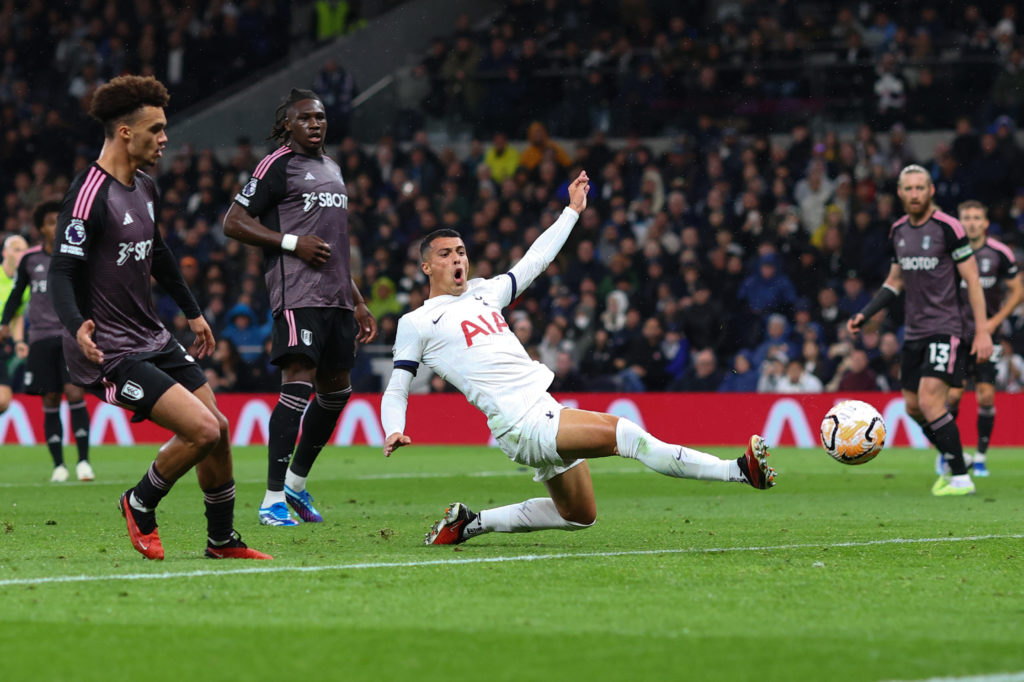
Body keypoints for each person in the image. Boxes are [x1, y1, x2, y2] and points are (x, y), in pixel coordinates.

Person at [381, 171, 775, 547]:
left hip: (539, 412)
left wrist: (572, 211)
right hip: (522, 420)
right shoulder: (416, 323)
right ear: (426, 267)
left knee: (579, 515)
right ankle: (738, 471)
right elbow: (398, 387)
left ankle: (470, 524)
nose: (457, 261)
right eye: (446, 254)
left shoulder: (485, 292)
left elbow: (535, 260)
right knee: (631, 438)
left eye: (462, 252)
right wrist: (393, 428)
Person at [46, 75, 270, 560]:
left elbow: (159, 252)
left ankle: (221, 540)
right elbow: (59, 272)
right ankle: (139, 501)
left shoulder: (145, 185)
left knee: (221, 429)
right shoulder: (88, 195)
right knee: (202, 430)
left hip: (152, 335)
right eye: (156, 129)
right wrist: (76, 324)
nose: (165, 138)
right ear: (125, 132)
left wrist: (193, 313)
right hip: (110, 349)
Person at [223, 88, 377, 527]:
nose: (315, 124)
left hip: (337, 300)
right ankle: (271, 501)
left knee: (337, 392)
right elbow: (233, 221)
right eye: (305, 118)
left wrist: (359, 301)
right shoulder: (277, 165)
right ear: (288, 125)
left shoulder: (332, 168)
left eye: (321, 117)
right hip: (298, 296)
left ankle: (295, 484)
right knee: (298, 386)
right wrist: (292, 243)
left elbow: (332, 248)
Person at [848, 164, 992, 497]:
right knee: (912, 407)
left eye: (920, 188)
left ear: (931, 191)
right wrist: (865, 313)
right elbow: (895, 281)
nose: (914, 194)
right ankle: (957, 456)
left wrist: (982, 332)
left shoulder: (948, 227)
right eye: (908, 189)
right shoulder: (898, 230)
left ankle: (960, 478)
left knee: (930, 400)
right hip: (913, 332)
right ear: (899, 193)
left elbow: (972, 279)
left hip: (945, 328)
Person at [0, 201, 93, 482]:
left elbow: (87, 293)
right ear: (41, 228)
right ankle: (59, 466)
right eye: (52, 222)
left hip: (69, 335)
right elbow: (17, 294)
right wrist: (5, 322)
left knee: (75, 393)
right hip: (40, 338)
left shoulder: (74, 257)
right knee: (50, 397)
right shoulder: (30, 259)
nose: (58, 227)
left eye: (60, 221)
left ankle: (84, 462)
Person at [944, 200, 1023, 477]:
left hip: (987, 336)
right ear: (959, 221)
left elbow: (1017, 291)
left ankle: (979, 457)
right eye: (967, 217)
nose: (972, 222)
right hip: (956, 334)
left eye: (977, 217)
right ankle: (949, 454)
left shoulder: (999, 253)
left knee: (986, 395)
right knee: (952, 396)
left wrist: (993, 323)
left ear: (986, 223)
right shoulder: (950, 253)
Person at [0, 234, 29, 417]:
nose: (21, 254)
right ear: (4, 252)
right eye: (16, 249)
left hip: (3, 343)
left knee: (3, 402)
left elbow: (17, 316)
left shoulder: (23, 285)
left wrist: (19, 341)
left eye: (24, 251)